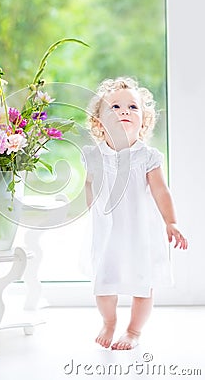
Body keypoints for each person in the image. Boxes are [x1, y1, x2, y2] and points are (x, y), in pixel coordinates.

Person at [82, 77, 188, 351]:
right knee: (104, 281)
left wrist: (171, 221)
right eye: (115, 106)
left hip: (141, 233)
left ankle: (133, 330)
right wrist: (89, 205)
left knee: (143, 283)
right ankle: (108, 321)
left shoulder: (147, 156)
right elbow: (89, 184)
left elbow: (161, 192)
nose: (124, 111)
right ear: (99, 121)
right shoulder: (93, 155)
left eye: (132, 107)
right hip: (108, 233)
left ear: (144, 121)